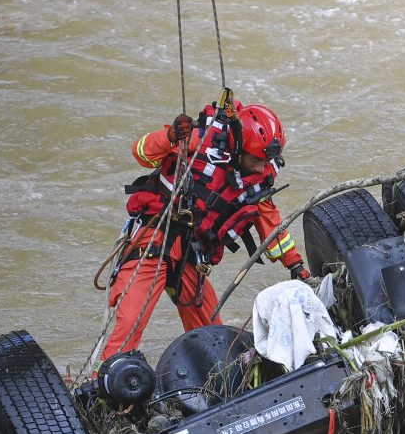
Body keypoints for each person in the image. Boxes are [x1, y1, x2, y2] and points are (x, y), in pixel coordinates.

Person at [100, 96, 309, 363]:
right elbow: (141, 152)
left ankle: (215, 380)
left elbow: (271, 228)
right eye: (256, 159)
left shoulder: (258, 178)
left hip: (192, 255)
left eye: (266, 161)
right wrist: (170, 136)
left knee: (211, 332)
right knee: (131, 317)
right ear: (239, 147)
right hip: (155, 238)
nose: (261, 167)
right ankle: (106, 382)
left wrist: (296, 266)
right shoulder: (196, 141)